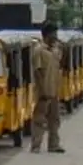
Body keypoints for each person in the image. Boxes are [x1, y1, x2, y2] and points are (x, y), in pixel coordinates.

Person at [32, 23, 65, 154]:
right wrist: (43, 90)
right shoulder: (39, 50)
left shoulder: (55, 50)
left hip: (54, 90)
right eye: (54, 34)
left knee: (55, 119)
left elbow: (60, 64)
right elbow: (38, 71)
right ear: (47, 35)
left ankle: (54, 144)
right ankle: (36, 145)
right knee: (39, 119)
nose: (56, 37)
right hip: (43, 92)